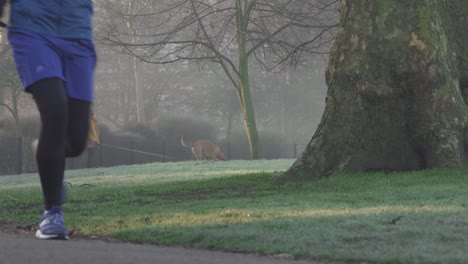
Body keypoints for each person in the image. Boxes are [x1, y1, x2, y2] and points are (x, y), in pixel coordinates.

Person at [0, 0, 97, 240]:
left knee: (76, 142)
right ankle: (52, 214)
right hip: (32, 29)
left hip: (77, 32)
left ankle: (46, 157)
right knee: (55, 108)